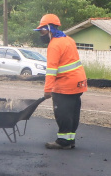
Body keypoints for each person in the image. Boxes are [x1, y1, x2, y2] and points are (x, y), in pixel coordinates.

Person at [35, 14, 87, 150]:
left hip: (65, 84)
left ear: (49, 29)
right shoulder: (69, 40)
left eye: (42, 31)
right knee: (73, 112)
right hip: (78, 82)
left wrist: (47, 90)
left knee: (63, 113)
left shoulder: (54, 45)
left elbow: (51, 71)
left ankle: (63, 142)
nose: (41, 34)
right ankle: (70, 140)